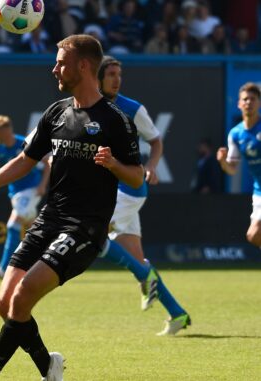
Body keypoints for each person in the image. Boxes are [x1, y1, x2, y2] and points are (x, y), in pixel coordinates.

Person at [0, 34, 143, 381]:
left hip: (84, 228)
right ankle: (47, 367)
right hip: (49, 219)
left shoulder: (115, 120)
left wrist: (114, 164)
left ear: (83, 65)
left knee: (21, 299)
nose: (54, 67)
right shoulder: (56, 111)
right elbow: (25, 160)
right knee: (5, 304)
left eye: (60, 61)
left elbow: (136, 176)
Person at [96, 55, 191, 336]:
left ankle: (144, 277)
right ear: (98, 77)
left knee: (94, 237)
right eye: (111, 74)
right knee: (139, 260)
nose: (116, 79)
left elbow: (156, 141)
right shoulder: (90, 106)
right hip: (112, 190)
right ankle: (177, 314)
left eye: (118, 74)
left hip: (129, 189)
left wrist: (151, 166)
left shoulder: (132, 109)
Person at [0, 115, 50, 279]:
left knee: (13, 224)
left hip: (31, 189)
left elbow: (48, 161)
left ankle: (4, 268)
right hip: (16, 193)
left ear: (6, 130)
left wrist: (42, 185)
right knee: (35, 228)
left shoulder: (24, 142)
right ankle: (49, 258)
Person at [218, 82, 261, 246]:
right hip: (259, 191)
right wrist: (223, 161)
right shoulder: (235, 134)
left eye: (253, 99)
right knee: (253, 236)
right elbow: (232, 169)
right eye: (245, 99)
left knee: (255, 231)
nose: (249, 102)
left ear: (259, 103)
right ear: (239, 104)